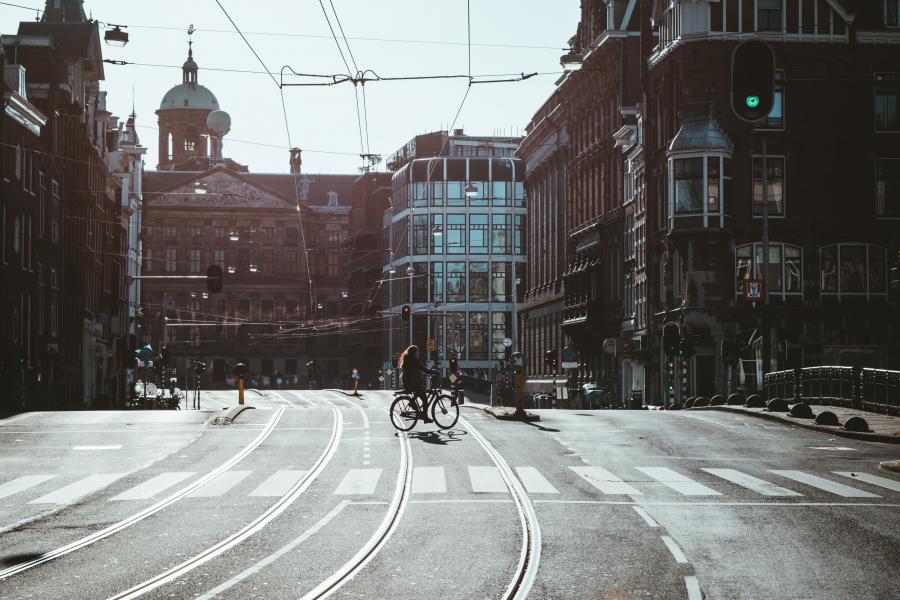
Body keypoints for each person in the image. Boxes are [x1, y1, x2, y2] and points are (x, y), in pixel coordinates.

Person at [399, 345, 437, 423]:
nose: (418, 353)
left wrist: (422, 374)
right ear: (414, 353)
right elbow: (424, 369)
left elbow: (414, 371)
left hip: (408, 382)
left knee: (420, 392)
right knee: (425, 399)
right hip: (412, 383)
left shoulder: (408, 359)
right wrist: (435, 372)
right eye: (417, 351)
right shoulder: (413, 360)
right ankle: (425, 418)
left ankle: (412, 403)